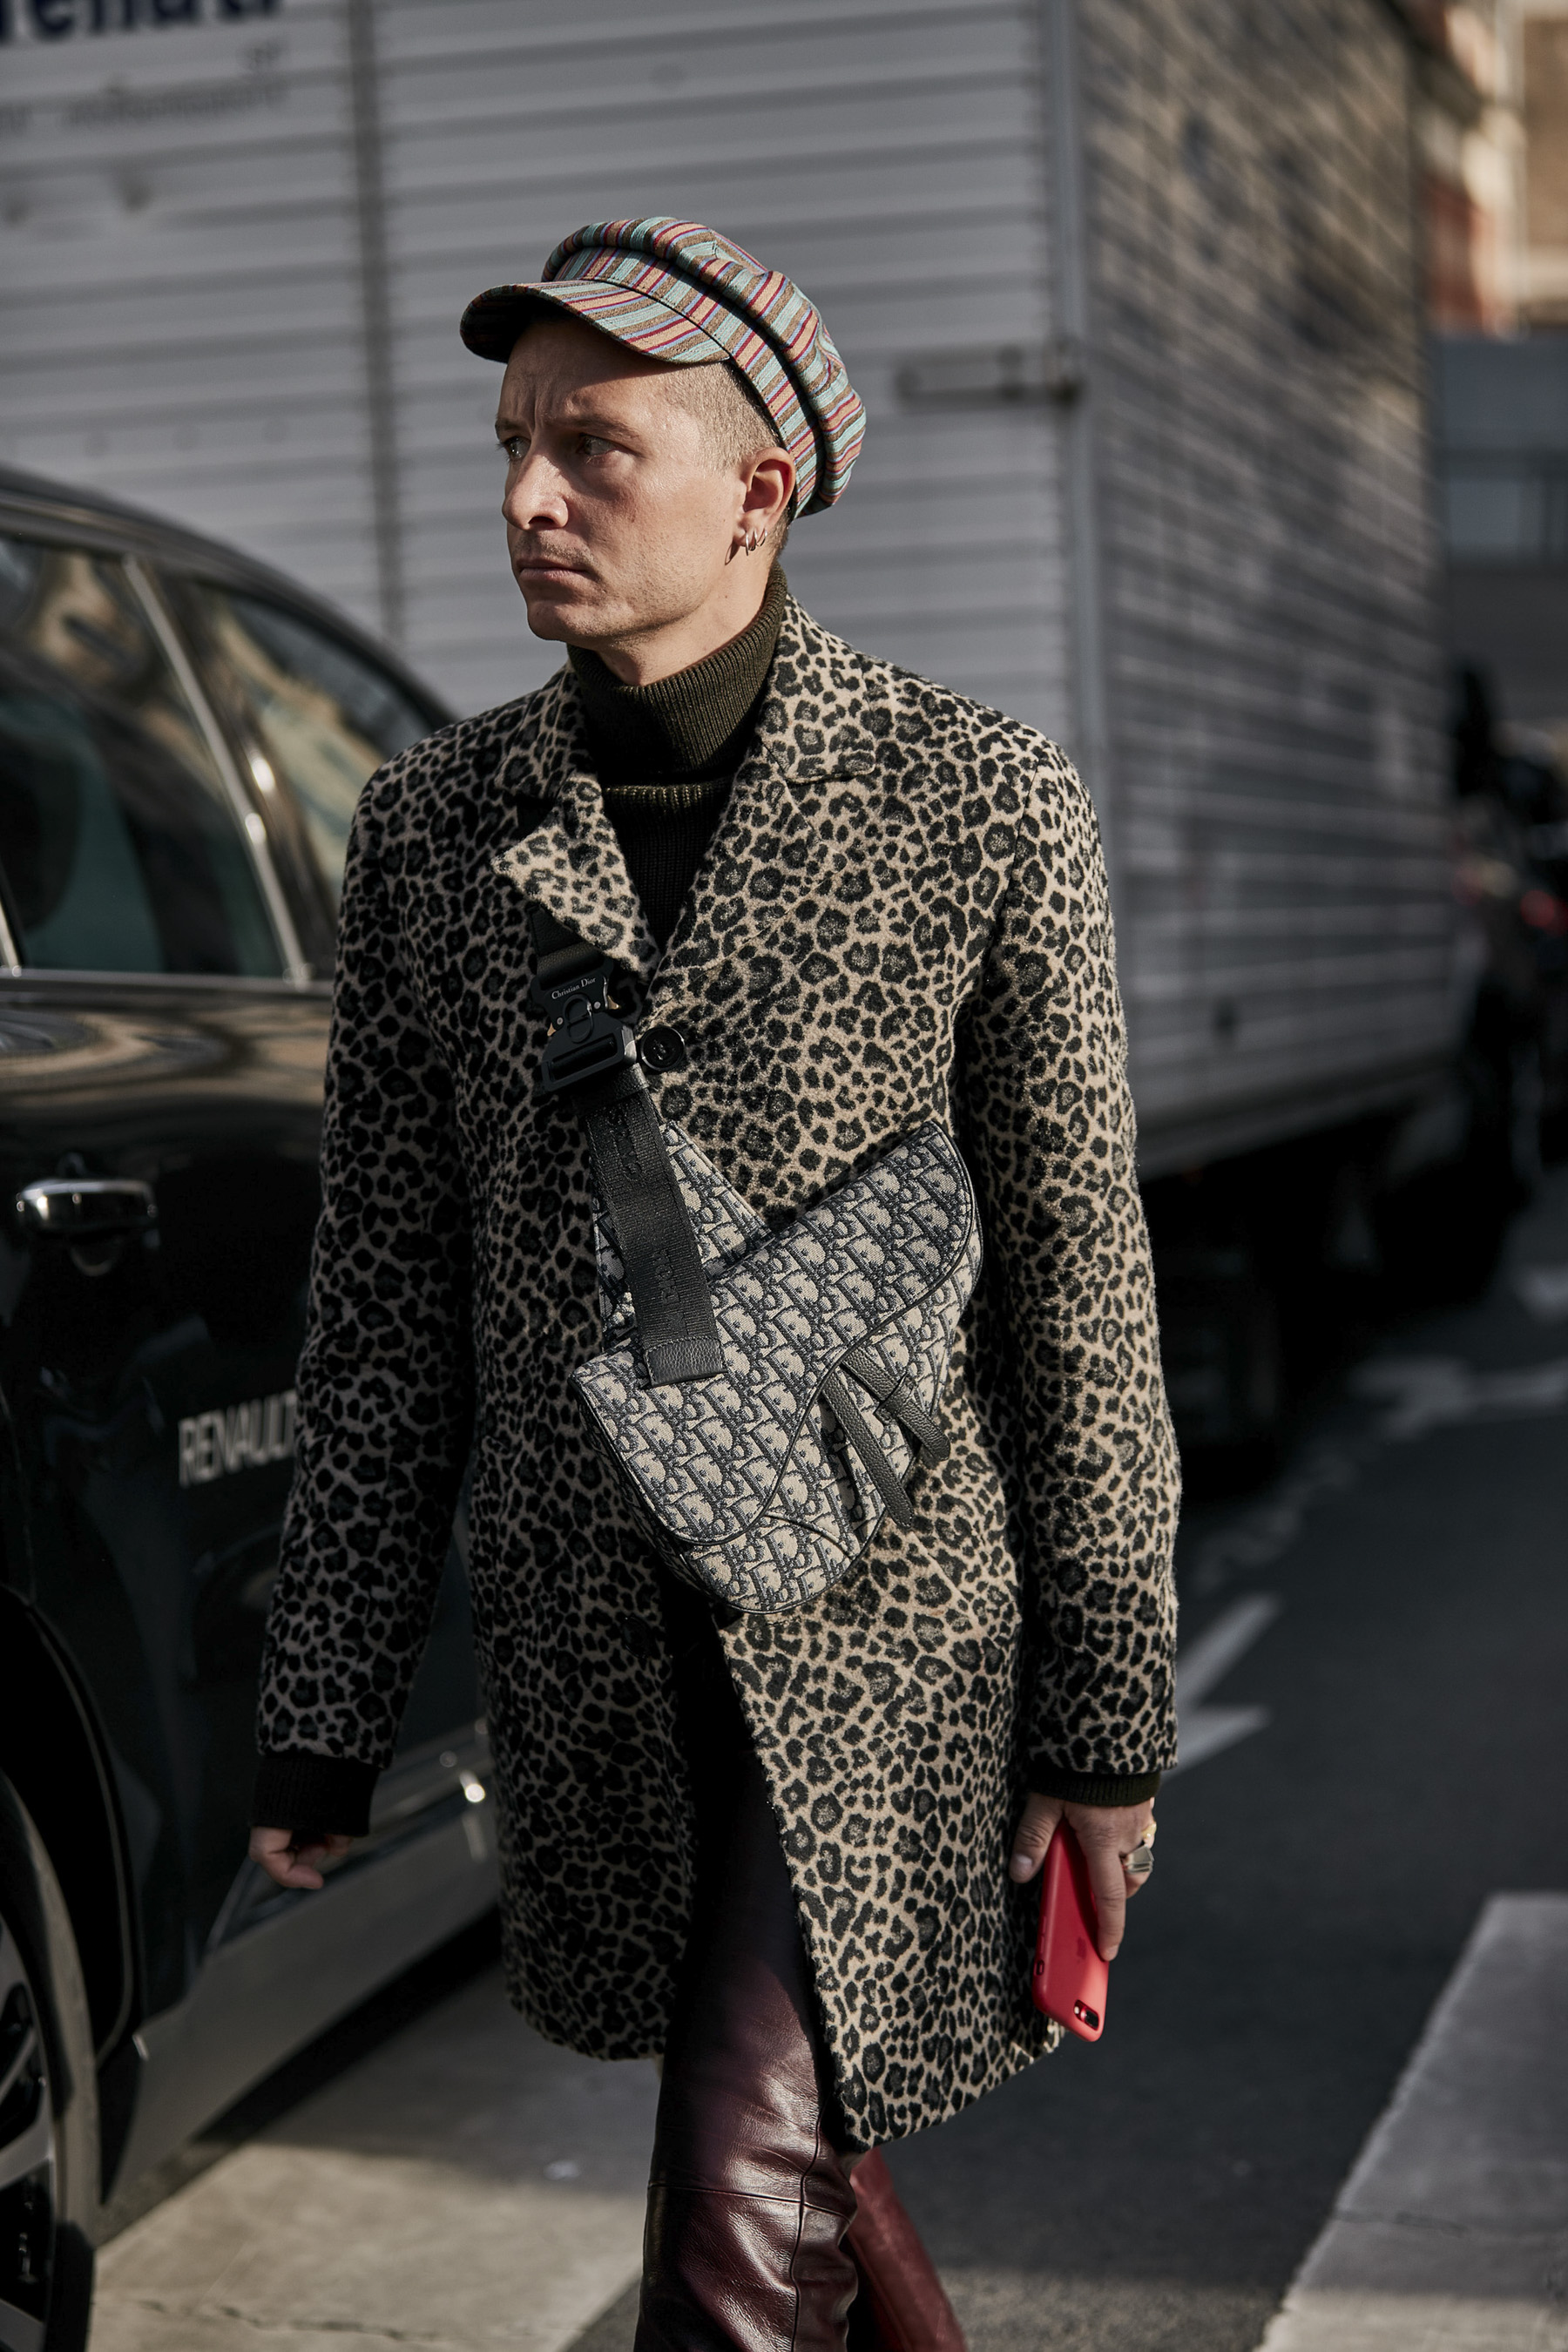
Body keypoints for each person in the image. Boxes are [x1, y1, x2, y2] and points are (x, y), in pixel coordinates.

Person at [251, 216, 1180, 2352]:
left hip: (884, 1642)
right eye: (512, 441)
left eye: (594, 446)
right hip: (594, 1646)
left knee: (727, 2246)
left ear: (759, 487)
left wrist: (1105, 1716)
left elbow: (1079, 1291)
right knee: (784, 2158)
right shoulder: (432, 831)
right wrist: (325, 1710)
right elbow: (385, 1298)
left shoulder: (977, 803)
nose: (527, 496)